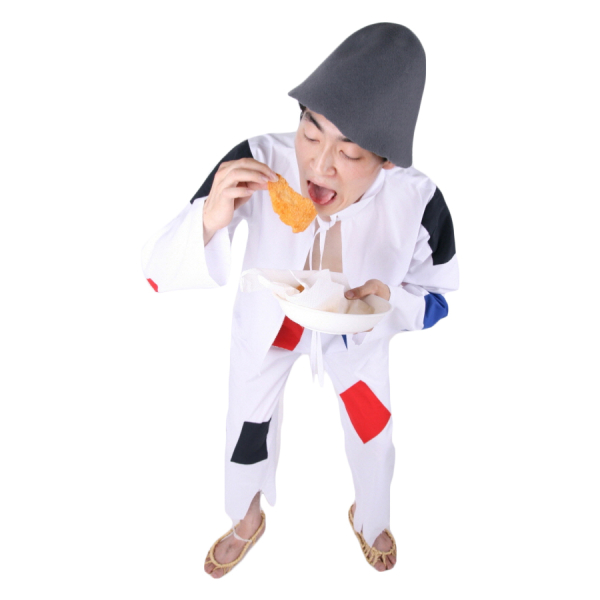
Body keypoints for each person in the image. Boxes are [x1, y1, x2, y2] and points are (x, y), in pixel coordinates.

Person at [141, 23, 458, 576]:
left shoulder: (420, 200)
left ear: (386, 160)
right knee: (246, 425)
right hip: (270, 327)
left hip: (356, 336)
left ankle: (371, 519)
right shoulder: (255, 160)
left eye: (349, 152)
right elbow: (155, 272)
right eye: (311, 133)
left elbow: (438, 295)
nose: (320, 165)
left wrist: (390, 304)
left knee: (373, 433)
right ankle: (244, 517)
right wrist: (209, 218)